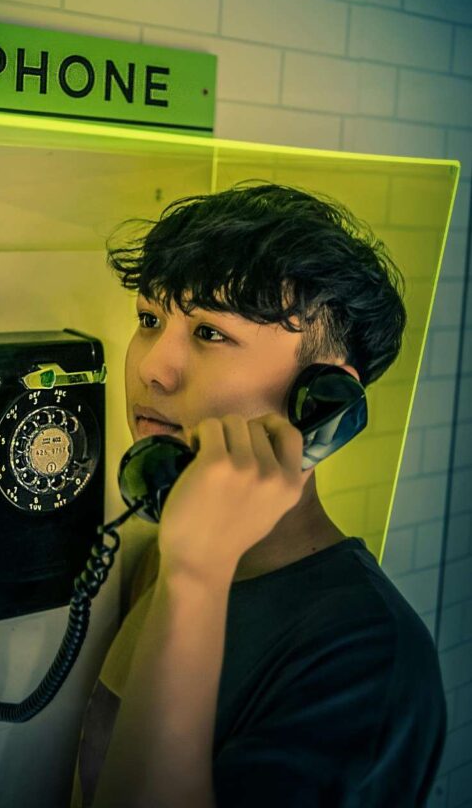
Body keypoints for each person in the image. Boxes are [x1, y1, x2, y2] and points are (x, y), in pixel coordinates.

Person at [68, 180, 447, 808]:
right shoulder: (169, 554)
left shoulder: (372, 660)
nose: (151, 368)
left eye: (210, 334)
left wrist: (198, 578)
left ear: (323, 399)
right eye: (150, 320)